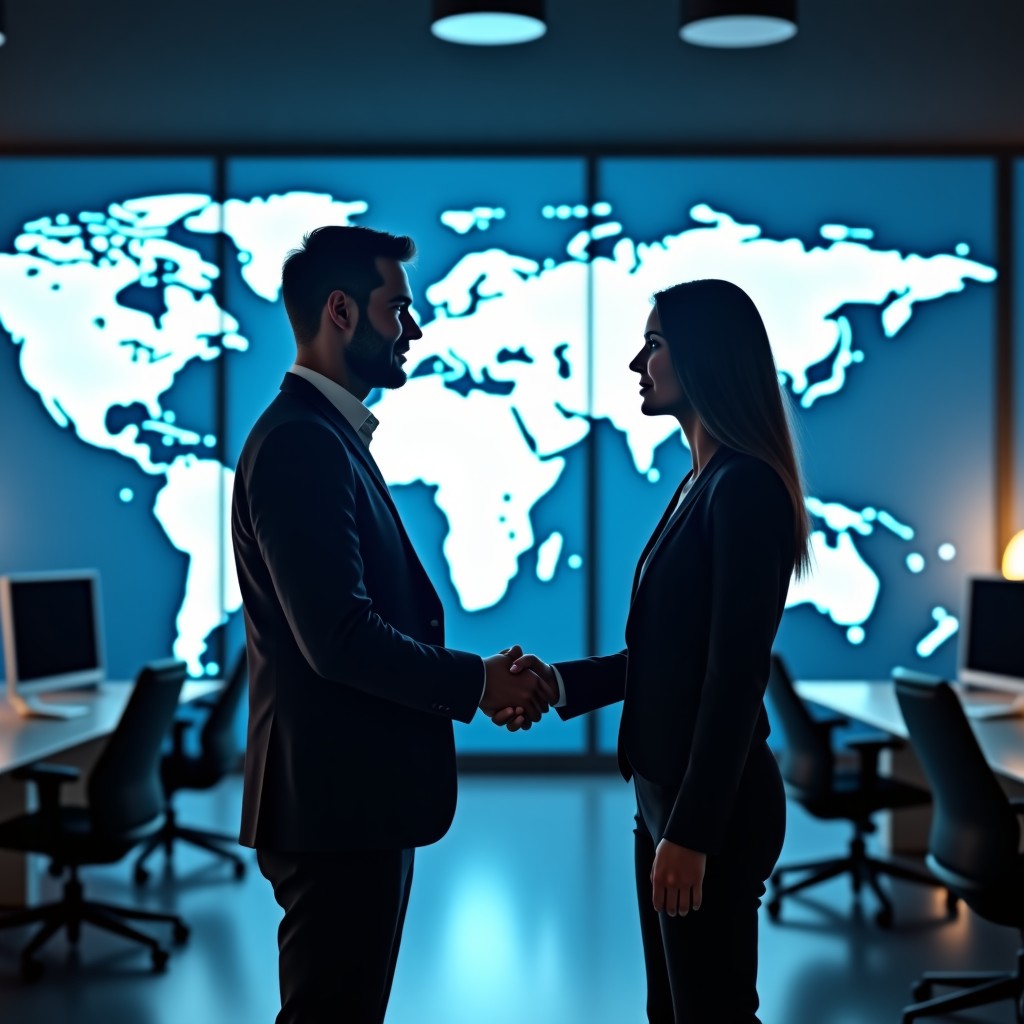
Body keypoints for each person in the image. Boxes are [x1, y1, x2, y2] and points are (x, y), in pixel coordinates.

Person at [231, 225, 556, 1024]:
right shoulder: (303, 443)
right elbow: (339, 635)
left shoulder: (324, 434)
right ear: (342, 312)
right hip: (337, 806)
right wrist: (478, 682)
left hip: (349, 797)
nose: (413, 328)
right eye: (397, 308)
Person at [494, 279, 812, 1023]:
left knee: (710, 1013)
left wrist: (692, 833)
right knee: (670, 1010)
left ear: (704, 359)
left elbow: (733, 678)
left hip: (712, 808)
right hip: (665, 795)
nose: (638, 363)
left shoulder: (744, 489)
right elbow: (674, 657)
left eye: (655, 345)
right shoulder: (699, 483)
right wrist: (559, 684)